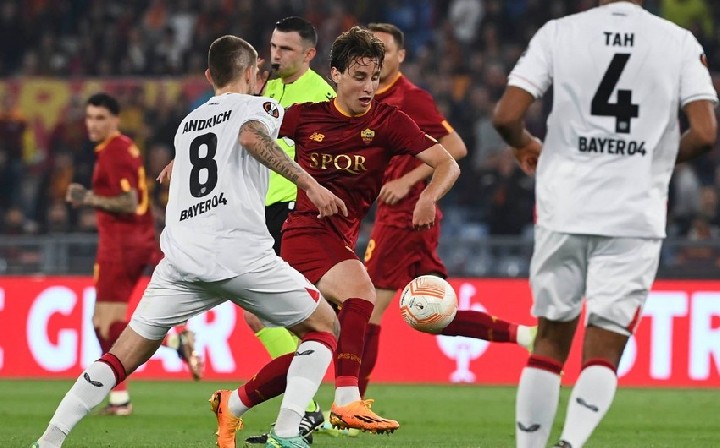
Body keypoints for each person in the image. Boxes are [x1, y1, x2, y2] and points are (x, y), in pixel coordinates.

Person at [33, 35, 346, 448]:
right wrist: (311, 185)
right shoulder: (260, 106)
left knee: (121, 355)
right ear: (251, 72)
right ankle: (289, 429)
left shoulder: (188, 124)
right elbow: (251, 137)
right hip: (241, 255)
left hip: (181, 261)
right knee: (324, 326)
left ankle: (49, 440)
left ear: (208, 76)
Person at [209, 26, 460, 441]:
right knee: (361, 292)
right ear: (336, 75)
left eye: (374, 77)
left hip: (340, 239)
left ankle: (234, 404)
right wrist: (185, 160)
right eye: (359, 77)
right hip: (303, 232)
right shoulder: (306, 116)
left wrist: (429, 197)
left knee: (318, 343)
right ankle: (346, 401)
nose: (369, 87)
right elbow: (246, 133)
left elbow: (448, 161)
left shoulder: (389, 122)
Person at [491, 1, 718, 447]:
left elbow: (505, 117)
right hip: (634, 214)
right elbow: (706, 133)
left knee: (550, 340)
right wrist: (653, 163)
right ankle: (571, 443)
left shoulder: (559, 32)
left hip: (565, 206)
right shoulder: (678, 41)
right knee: (606, 346)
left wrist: (525, 144)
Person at [359, 22, 537, 398]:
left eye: (384, 51)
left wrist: (409, 181)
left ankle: (350, 406)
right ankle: (524, 335)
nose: (375, 58)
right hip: (405, 215)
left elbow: (455, 147)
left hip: (405, 214)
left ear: (400, 56)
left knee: (367, 309)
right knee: (433, 315)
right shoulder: (366, 95)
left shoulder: (410, 98)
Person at [64, 92, 202, 416]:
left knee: (107, 324)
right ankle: (122, 395)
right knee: (102, 324)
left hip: (121, 245)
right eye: (89, 118)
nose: (93, 124)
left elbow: (127, 202)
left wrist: (87, 199)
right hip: (130, 241)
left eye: (100, 118)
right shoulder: (120, 148)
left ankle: (163, 353)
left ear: (115, 119)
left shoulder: (114, 151)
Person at [241, 17, 336, 443]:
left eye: (286, 49)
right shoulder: (266, 88)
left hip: (292, 212)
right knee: (260, 314)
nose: (275, 55)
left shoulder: (320, 96)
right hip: (259, 211)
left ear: (309, 54)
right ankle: (307, 410)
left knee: (295, 316)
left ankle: (305, 412)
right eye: (273, 47)